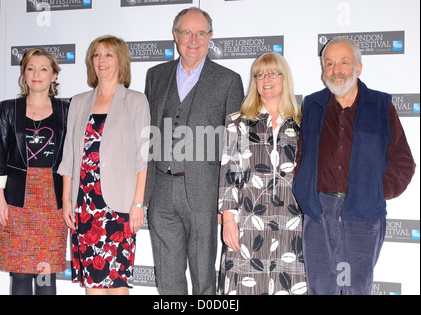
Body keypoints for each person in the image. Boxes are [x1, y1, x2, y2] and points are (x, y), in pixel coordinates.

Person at [293, 38, 416, 295]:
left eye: (343, 62)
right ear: (323, 69)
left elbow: (403, 161)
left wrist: (374, 191)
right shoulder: (312, 105)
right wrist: (305, 192)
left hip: (363, 213)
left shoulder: (381, 106)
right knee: (321, 289)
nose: (336, 70)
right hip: (319, 212)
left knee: (355, 289)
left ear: (358, 68)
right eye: (329, 63)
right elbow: (301, 157)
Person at [144, 7, 244, 295]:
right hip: (161, 193)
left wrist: (226, 207)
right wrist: (145, 195)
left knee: (204, 279)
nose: (193, 39)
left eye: (201, 33)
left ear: (210, 37)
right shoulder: (155, 75)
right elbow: (149, 137)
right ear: (175, 35)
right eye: (186, 32)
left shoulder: (228, 80)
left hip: (205, 193)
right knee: (167, 279)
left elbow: (234, 148)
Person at [58, 35, 150, 295]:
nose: (101, 60)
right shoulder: (78, 102)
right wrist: (67, 201)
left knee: (117, 284)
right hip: (85, 205)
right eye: (96, 55)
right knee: (93, 284)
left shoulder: (135, 101)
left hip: (120, 205)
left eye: (108, 54)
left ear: (121, 61)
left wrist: (138, 204)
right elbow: (68, 159)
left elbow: (144, 157)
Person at [217, 52, 306, 295]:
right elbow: (229, 173)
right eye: (259, 74)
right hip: (248, 222)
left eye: (273, 73)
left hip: (293, 224)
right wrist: (227, 219)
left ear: (284, 78)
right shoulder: (237, 122)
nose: (266, 79)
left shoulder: (303, 123)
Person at [0, 48, 69, 295]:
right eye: (30, 68)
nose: (37, 74)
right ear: (24, 74)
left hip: (53, 199)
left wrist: (68, 198)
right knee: (19, 272)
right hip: (17, 197)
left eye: (44, 69)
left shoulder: (67, 109)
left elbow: (72, 157)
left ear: (54, 75)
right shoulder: (9, 108)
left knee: (45, 273)